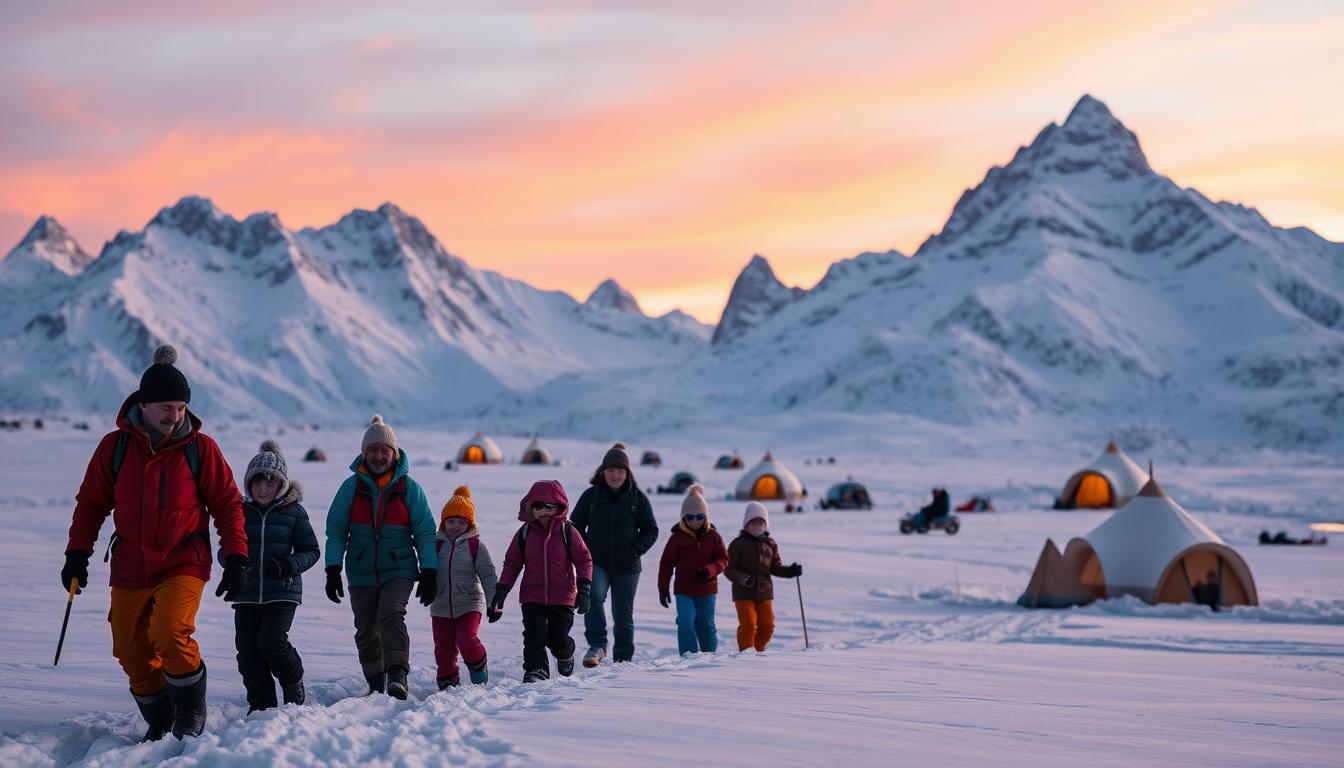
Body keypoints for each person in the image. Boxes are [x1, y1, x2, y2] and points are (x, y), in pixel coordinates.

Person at [62, 345, 248, 740]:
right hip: (131, 565)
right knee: (129, 650)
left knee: (170, 631)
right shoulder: (115, 448)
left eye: (181, 407)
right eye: (166, 407)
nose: (175, 415)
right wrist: (77, 553)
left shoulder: (201, 449)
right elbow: (92, 502)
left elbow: (228, 504)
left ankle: (189, 708)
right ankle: (161, 718)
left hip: (184, 560)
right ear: (143, 405)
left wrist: (236, 557)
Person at [324, 415, 437, 700]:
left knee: (391, 613)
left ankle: (397, 673)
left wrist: (430, 570)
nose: (378, 456)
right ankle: (376, 680)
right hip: (361, 570)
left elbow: (425, 532)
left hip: (398, 567)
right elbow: (336, 531)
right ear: (364, 454)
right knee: (365, 628)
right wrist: (333, 569)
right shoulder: (351, 488)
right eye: (373, 450)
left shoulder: (409, 489)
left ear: (394, 454)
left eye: (384, 450)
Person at [232, 440, 320, 712]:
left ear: (280, 485)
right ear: (249, 484)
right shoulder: (239, 513)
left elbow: (311, 550)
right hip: (246, 591)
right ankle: (262, 705)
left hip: (282, 591)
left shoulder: (293, 512)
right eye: (257, 482)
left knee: (271, 642)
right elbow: (227, 547)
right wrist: (233, 564)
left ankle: (293, 679)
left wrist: (288, 564)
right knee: (247, 652)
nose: (263, 488)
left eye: (270, 483)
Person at [489, 480, 594, 683]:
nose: (543, 511)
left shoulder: (568, 532)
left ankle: (566, 652)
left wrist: (584, 588)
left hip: (562, 596)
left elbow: (584, 559)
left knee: (557, 639)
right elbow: (512, 563)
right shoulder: (524, 533)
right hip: (532, 595)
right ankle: (536, 670)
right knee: (534, 636)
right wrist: (502, 589)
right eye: (538, 506)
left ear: (559, 507)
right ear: (530, 508)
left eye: (549, 506)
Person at [570, 443, 658, 667]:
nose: (615, 475)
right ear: (603, 472)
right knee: (592, 598)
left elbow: (651, 529)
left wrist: (635, 550)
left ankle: (623, 659)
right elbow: (575, 525)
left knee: (623, 614)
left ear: (627, 473)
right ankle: (598, 644)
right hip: (596, 562)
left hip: (628, 566)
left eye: (620, 471)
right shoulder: (591, 496)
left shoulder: (637, 498)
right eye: (611, 470)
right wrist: (585, 548)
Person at [429, 485, 498, 689]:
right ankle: (448, 683)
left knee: (467, 639)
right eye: (451, 521)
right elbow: (424, 569)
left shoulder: (475, 546)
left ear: (469, 524)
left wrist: (495, 602)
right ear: (443, 522)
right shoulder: (434, 545)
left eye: (461, 522)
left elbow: (488, 574)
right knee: (443, 648)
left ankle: (478, 670)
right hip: (440, 604)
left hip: (469, 603)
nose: (456, 526)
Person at [657, 484, 728, 656]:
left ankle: (709, 657)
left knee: (705, 624)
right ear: (683, 517)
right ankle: (688, 659)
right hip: (684, 590)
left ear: (706, 517)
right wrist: (663, 588)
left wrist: (710, 570)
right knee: (686, 622)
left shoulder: (714, 537)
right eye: (690, 517)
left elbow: (724, 559)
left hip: (707, 589)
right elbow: (666, 564)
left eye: (699, 517)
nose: (695, 521)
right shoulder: (677, 538)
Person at [725, 502, 801, 653]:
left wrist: (791, 571)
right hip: (743, 593)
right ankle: (746, 652)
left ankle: (757, 651)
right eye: (752, 524)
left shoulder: (770, 544)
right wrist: (743, 578)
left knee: (767, 626)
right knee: (749, 624)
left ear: (766, 526)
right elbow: (728, 568)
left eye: (760, 523)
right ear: (746, 525)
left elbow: (775, 568)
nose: (756, 527)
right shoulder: (738, 544)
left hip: (765, 592)